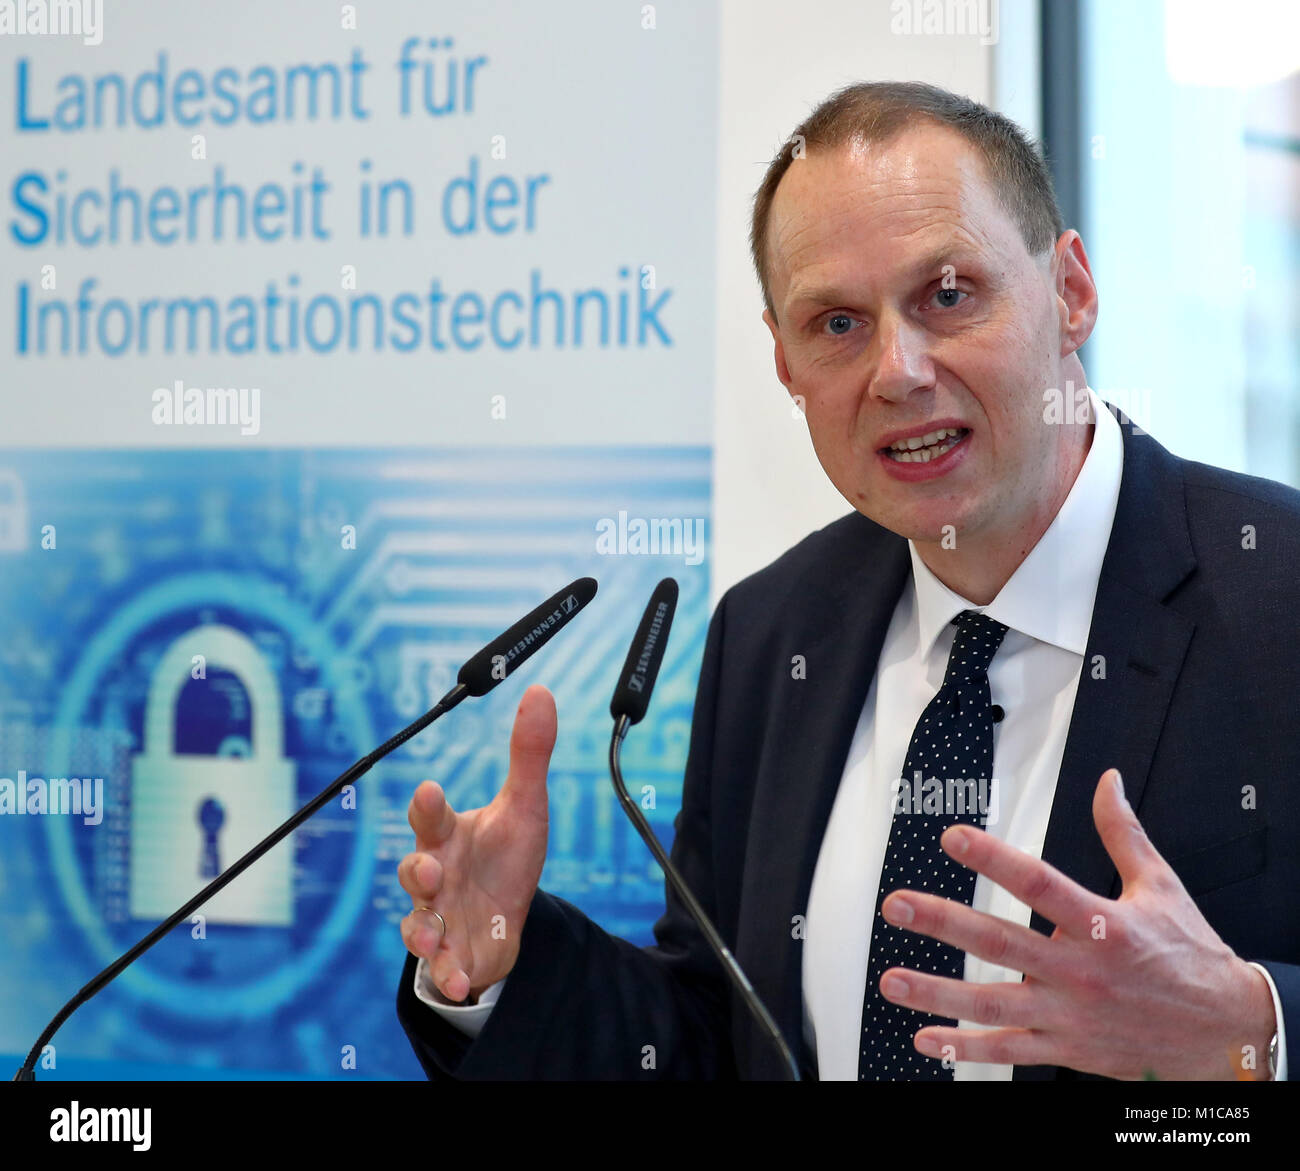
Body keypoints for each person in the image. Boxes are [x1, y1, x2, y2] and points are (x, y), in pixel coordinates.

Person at [393, 81, 1298, 1081]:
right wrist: (509, 971)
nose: (897, 370)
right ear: (785, 364)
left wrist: (1251, 1030)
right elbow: (716, 1035)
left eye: (947, 294)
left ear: (1070, 290)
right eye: (835, 324)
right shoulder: (772, 630)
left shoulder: (1276, 591)